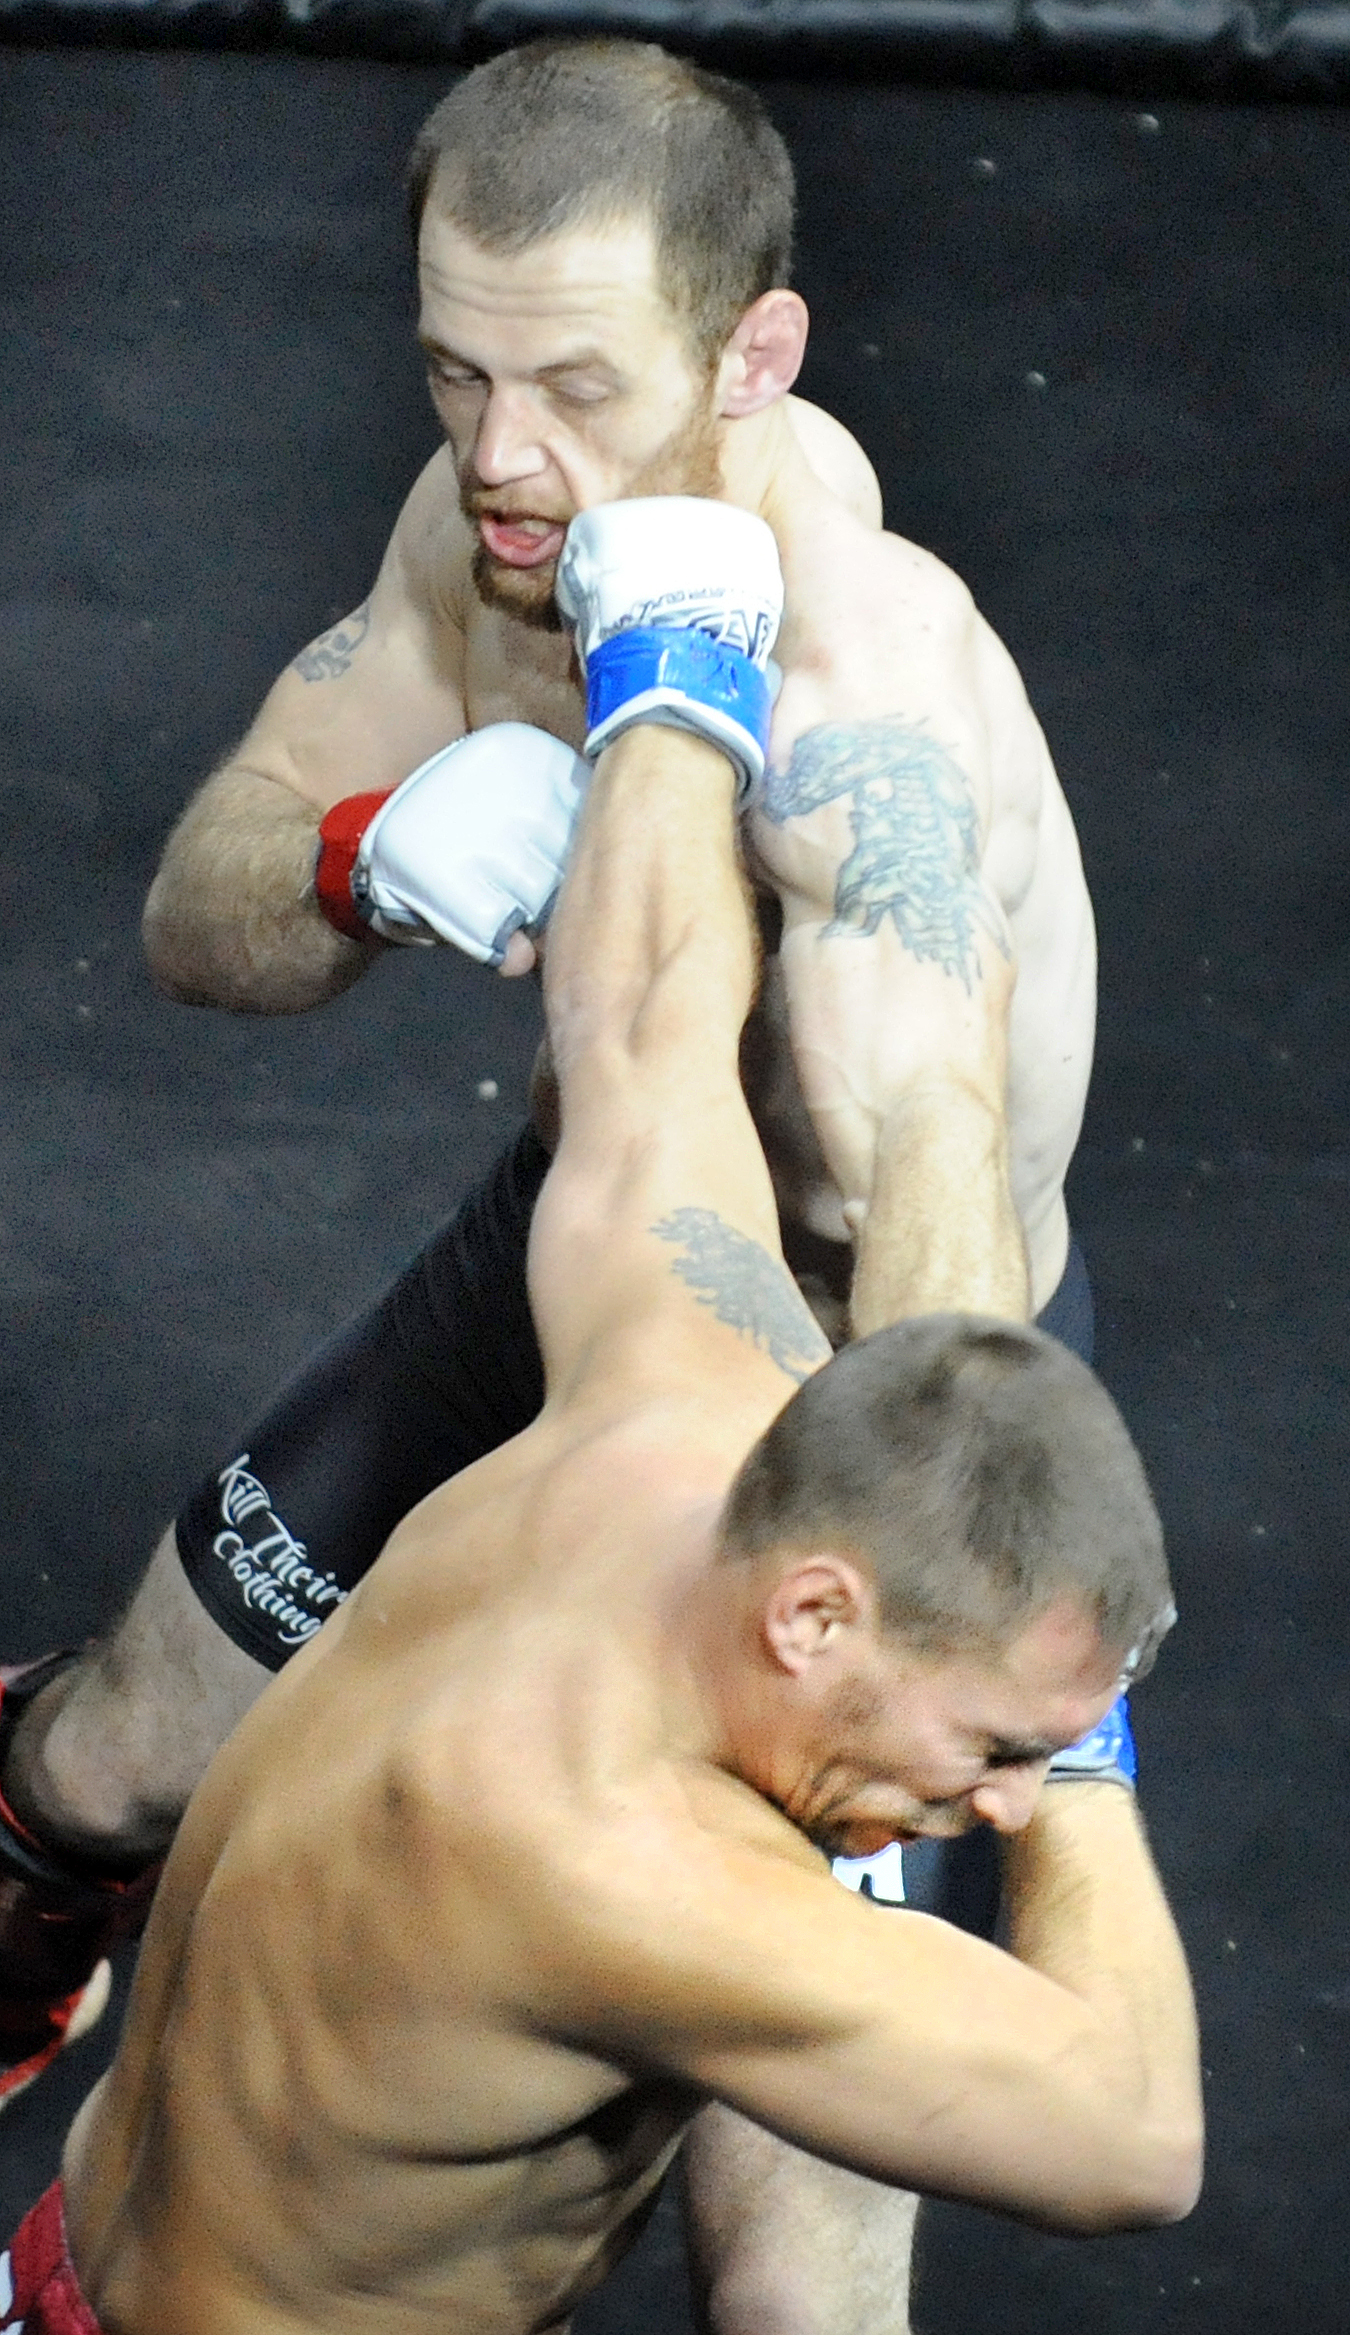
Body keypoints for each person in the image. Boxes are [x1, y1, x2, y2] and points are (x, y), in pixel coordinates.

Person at [0, 38, 1095, 2334]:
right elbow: (198, 912)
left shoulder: (860, 681)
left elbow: (927, 1170)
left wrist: (903, 1598)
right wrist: (358, 853)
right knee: (101, 1762)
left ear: (750, 355)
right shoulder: (486, 530)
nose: (502, 453)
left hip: (856, 1379)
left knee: (798, 2255)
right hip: (578, 1245)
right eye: (453, 370)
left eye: (576, 386)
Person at [0, 612, 1200, 2335]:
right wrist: (1087, 1763)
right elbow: (1137, 2143)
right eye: (999, 1749)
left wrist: (668, 662)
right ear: (811, 1615)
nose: (1001, 1806)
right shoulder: (628, 1867)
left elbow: (642, 1023)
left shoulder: (657, 1392)